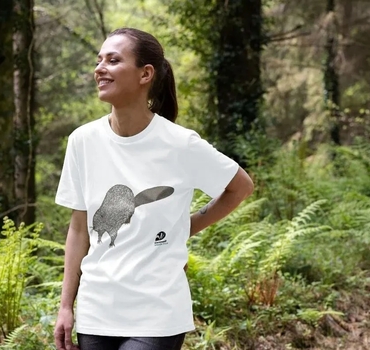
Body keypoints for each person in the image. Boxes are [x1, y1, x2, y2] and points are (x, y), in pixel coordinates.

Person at [53, 27, 254, 350]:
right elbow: (79, 229)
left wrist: (185, 226)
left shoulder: (179, 144)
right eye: (99, 60)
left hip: (157, 310)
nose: (100, 68)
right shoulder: (82, 141)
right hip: (97, 310)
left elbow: (240, 187)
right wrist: (65, 307)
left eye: (113, 60)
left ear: (146, 74)